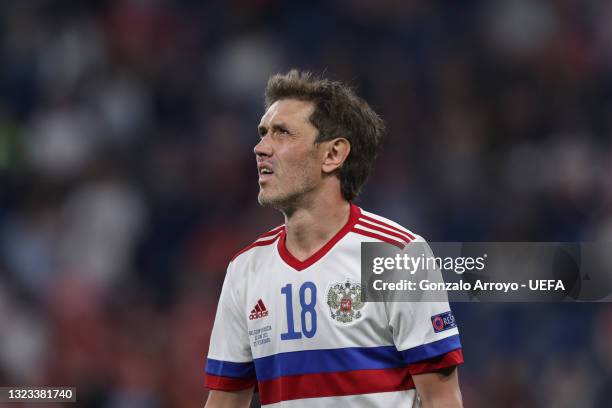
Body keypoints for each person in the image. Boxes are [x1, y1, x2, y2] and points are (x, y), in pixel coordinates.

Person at [204, 70, 464, 407]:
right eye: (263, 133)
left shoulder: (397, 256)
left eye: (282, 133)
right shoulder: (245, 270)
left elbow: (442, 400)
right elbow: (224, 402)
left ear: (333, 154)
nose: (260, 147)